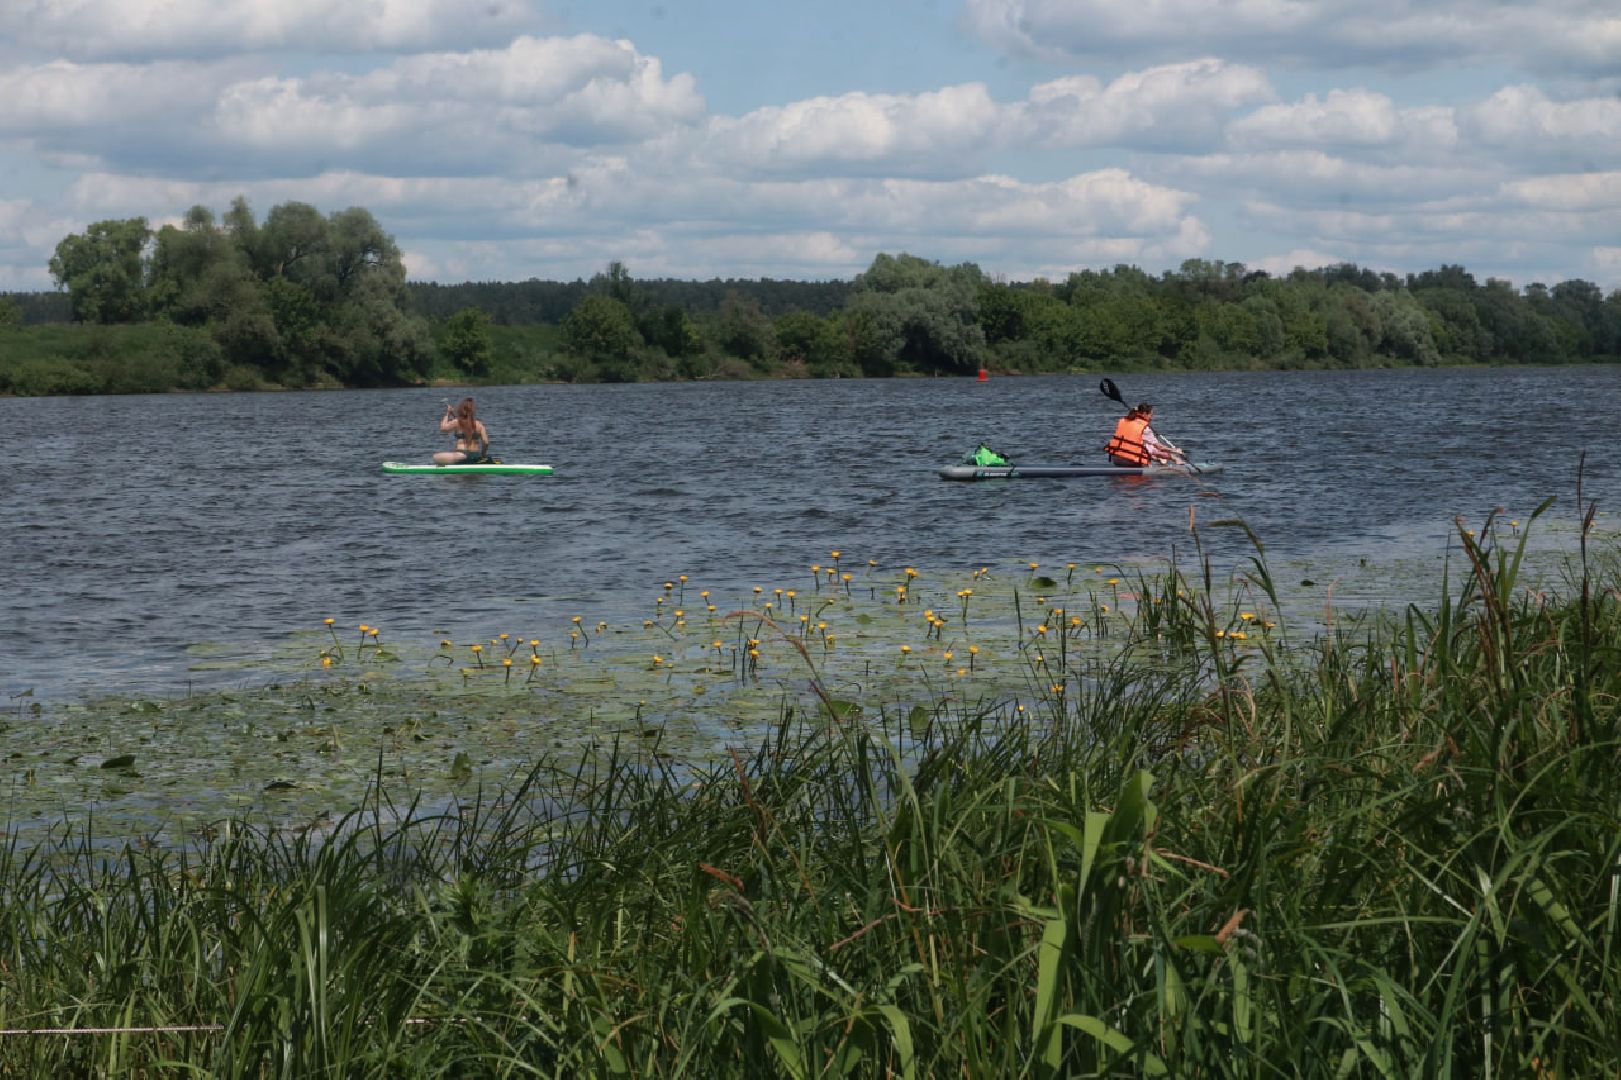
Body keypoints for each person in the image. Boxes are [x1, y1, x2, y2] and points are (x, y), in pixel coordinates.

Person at [1104, 402, 1184, 467]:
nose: (1151, 418)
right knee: (1151, 448)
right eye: (1151, 415)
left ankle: (1158, 459)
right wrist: (1174, 451)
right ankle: (1173, 458)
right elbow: (1160, 447)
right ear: (1145, 414)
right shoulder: (1144, 428)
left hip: (1116, 460)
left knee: (1144, 445)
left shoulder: (1124, 421)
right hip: (1131, 462)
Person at [435, 397, 491, 464]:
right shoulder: (479, 424)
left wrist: (448, 414)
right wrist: (483, 455)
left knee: (435, 457)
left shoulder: (456, 422)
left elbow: (443, 428)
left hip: (461, 455)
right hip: (475, 455)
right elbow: (486, 442)